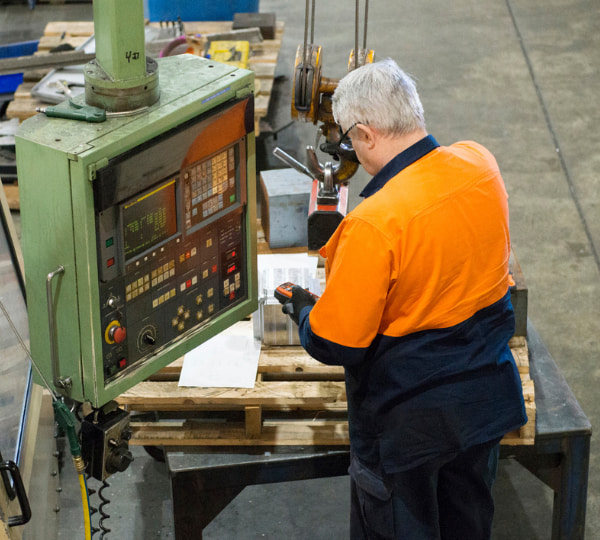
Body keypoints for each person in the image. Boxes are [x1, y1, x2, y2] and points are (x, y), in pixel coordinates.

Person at [279, 58, 527, 540]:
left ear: (367, 136)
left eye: (350, 141)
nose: (350, 151)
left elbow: (337, 343)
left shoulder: (374, 222)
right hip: (485, 401)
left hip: (409, 428)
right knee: (469, 524)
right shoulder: (480, 162)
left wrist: (305, 310)